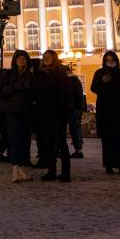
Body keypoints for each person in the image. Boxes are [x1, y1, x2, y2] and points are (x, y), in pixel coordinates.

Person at [0, 50, 35, 183]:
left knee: (25, 141)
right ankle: (15, 169)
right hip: (11, 112)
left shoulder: (30, 76)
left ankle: (21, 169)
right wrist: (16, 87)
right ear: (15, 60)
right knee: (14, 139)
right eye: (19, 58)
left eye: (24, 58)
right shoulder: (8, 73)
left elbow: (34, 94)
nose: (21, 60)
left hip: (26, 112)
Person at [91, 51, 120, 174]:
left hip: (119, 111)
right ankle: (108, 165)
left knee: (119, 140)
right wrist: (102, 82)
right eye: (107, 60)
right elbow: (93, 88)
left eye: (112, 60)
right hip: (105, 112)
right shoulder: (99, 73)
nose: (110, 62)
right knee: (107, 140)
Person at [33, 50, 72, 182]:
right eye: (45, 57)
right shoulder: (42, 75)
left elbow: (65, 95)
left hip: (58, 114)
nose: (46, 59)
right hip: (45, 114)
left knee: (61, 142)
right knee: (48, 143)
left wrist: (63, 112)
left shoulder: (60, 74)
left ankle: (66, 172)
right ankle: (52, 171)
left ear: (54, 58)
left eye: (49, 57)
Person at [66, 69, 86, 159]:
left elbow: (71, 96)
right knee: (76, 128)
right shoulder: (76, 80)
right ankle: (78, 149)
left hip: (73, 109)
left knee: (74, 128)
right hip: (77, 108)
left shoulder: (71, 80)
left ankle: (78, 149)